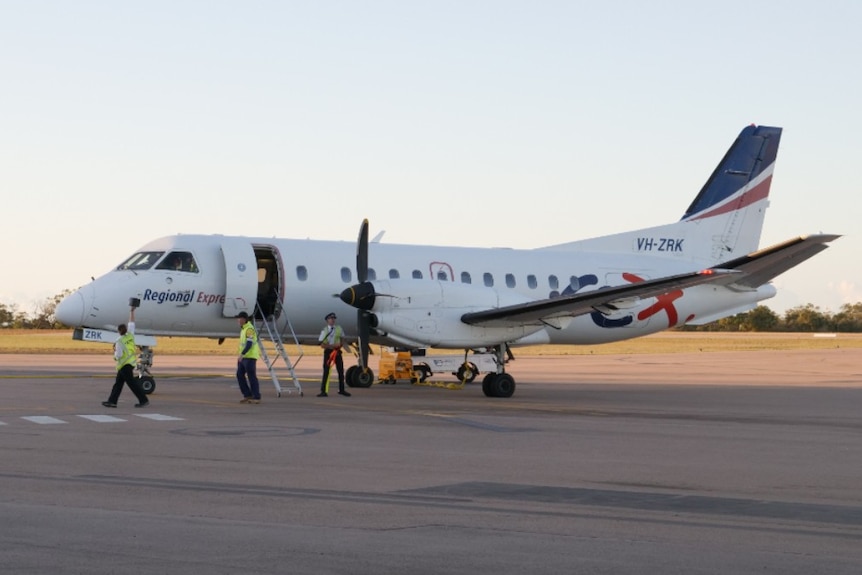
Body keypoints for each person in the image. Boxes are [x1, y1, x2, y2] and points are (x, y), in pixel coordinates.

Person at [102, 306, 149, 408]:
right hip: (130, 363)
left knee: (131, 384)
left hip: (124, 365)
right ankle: (112, 401)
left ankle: (143, 400)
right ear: (125, 330)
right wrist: (132, 311)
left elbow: (118, 355)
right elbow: (132, 323)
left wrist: (114, 356)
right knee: (118, 384)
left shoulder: (119, 341)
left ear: (119, 331)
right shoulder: (130, 335)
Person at [318, 312, 350, 397]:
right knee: (326, 371)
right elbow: (321, 344)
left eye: (333, 319)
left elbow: (343, 338)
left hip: (337, 351)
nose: (332, 320)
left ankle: (342, 390)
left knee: (340, 371)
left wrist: (340, 345)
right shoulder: (324, 331)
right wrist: (331, 346)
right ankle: (323, 391)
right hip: (328, 352)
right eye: (331, 319)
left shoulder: (339, 328)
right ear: (327, 320)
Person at [235, 311, 261, 403]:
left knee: (251, 376)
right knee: (239, 375)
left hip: (250, 357)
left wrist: (242, 354)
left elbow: (249, 344)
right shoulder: (243, 329)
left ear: (244, 319)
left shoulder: (249, 329)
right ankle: (247, 394)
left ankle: (256, 396)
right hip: (244, 357)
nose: (238, 320)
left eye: (239, 318)